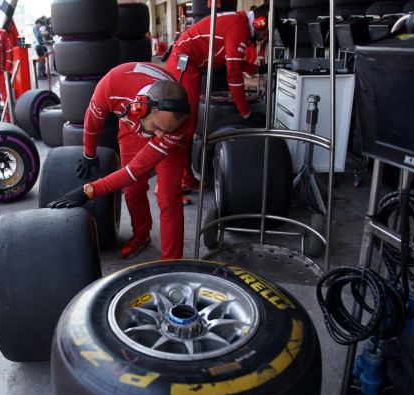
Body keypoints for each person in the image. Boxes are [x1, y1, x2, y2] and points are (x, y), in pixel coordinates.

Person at [47, 62, 191, 260]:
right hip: (132, 125)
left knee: (168, 197)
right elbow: (93, 120)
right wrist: (89, 153)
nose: (158, 136)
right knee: (132, 189)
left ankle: (172, 262)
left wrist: (88, 190)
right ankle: (141, 235)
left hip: (158, 129)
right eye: (157, 127)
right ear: (140, 108)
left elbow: (135, 169)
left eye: (165, 131)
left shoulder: (179, 124)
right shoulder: (112, 85)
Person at [164, 0, 273, 193]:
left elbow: (234, 61)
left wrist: (256, 69)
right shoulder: (238, 28)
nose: (265, 37)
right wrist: (245, 113)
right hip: (183, 63)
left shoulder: (239, 25)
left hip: (190, 64)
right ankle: (170, 183)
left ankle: (185, 177)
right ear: (260, 23)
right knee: (182, 125)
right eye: (267, 32)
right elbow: (233, 74)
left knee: (188, 126)